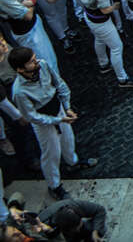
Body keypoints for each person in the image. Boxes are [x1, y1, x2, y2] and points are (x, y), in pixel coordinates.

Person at [9, 45, 96, 200]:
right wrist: (58, 120)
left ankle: (73, 162)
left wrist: (67, 107)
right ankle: (54, 185)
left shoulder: (43, 65)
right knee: (51, 153)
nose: (36, 63)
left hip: (59, 110)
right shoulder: (19, 91)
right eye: (31, 62)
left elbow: (59, 84)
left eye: (34, 59)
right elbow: (31, 116)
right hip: (43, 122)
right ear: (20, 69)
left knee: (68, 138)